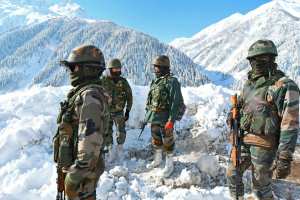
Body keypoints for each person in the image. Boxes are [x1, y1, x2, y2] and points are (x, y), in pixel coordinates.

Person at [227, 40, 299, 200]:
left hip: (265, 144)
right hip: (243, 140)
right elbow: (240, 107)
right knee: (232, 174)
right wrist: (231, 115)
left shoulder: (283, 85)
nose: (256, 63)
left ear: (272, 59)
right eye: (253, 59)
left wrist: (284, 156)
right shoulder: (249, 84)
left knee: (260, 188)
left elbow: (290, 123)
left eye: (262, 58)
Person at [53, 45, 110, 200]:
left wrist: (74, 176)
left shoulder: (90, 96)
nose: (71, 72)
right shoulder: (83, 93)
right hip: (75, 169)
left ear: (86, 69)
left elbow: (90, 144)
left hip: (81, 176)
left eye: (73, 68)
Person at [144, 55, 184, 178]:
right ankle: (158, 159)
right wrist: (148, 115)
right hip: (154, 117)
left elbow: (176, 102)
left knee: (168, 141)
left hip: (166, 118)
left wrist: (171, 120)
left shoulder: (172, 81)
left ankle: (169, 164)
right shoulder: (155, 81)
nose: (155, 69)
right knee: (156, 139)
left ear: (163, 68)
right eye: (154, 67)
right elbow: (150, 99)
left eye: (157, 67)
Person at [101, 58, 133, 162]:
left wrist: (128, 110)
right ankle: (110, 150)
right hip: (106, 112)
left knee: (121, 131)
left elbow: (129, 96)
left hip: (119, 111)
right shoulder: (103, 81)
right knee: (107, 131)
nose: (117, 71)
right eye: (114, 69)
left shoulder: (123, 82)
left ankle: (120, 149)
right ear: (110, 69)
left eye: (118, 69)